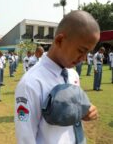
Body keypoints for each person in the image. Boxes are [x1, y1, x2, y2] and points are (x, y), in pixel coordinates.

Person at [15, 10, 99, 144]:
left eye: (88, 53)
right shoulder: (31, 83)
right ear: (60, 40)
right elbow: (26, 139)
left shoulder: (72, 74)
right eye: (81, 51)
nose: (83, 59)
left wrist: (84, 111)